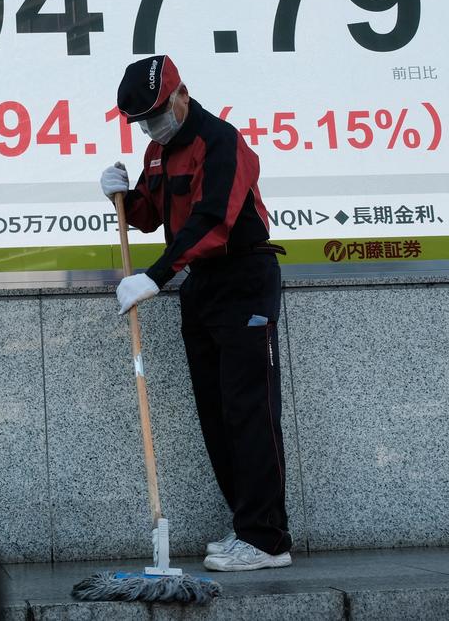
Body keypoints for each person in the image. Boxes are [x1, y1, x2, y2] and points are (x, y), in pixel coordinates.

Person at [101, 55, 292, 571]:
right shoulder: (158, 153)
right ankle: (247, 526)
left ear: (181, 93)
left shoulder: (221, 141)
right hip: (202, 287)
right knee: (217, 414)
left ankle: (268, 539)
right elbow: (149, 215)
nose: (151, 127)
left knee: (250, 411)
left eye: (156, 115)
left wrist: (155, 276)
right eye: (142, 122)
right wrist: (122, 197)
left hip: (244, 278)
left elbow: (212, 222)